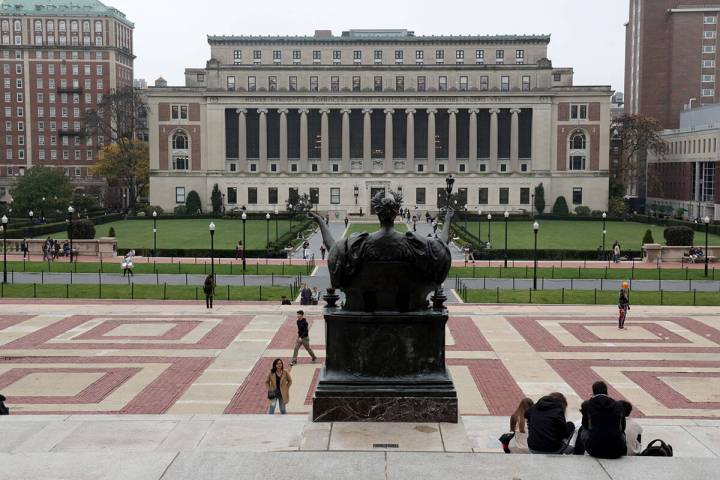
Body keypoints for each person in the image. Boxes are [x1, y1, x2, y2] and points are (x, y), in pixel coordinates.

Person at [573, 381, 626, 459]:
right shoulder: (619, 405)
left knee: (582, 428)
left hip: (594, 449)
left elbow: (585, 425)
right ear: (606, 391)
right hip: (616, 450)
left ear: (593, 392)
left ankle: (577, 453)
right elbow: (622, 428)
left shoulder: (587, 405)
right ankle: (624, 451)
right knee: (620, 429)